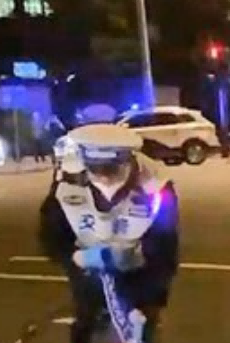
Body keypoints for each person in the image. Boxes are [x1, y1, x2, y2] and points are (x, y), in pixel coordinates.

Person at [38, 124, 180, 343]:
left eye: (112, 170)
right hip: (88, 278)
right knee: (86, 326)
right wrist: (76, 258)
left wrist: (150, 293)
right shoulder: (67, 181)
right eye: (96, 169)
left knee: (140, 332)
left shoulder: (156, 186)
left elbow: (165, 247)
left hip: (140, 280)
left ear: (129, 161)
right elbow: (51, 234)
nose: (104, 178)